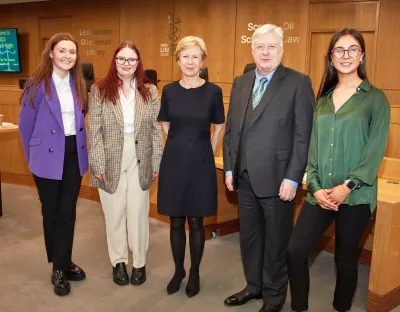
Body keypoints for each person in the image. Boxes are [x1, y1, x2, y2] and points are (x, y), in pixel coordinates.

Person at [287, 28, 390, 312]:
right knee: (295, 251)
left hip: (355, 196)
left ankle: (340, 308)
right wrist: (316, 187)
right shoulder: (323, 100)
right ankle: (299, 307)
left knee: (344, 257)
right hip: (320, 193)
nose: (346, 55)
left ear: (362, 55)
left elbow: (374, 151)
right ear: (331, 58)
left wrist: (348, 186)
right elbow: (313, 148)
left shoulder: (375, 99)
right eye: (339, 50)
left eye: (352, 49)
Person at [223, 24, 315, 312]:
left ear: (281, 49)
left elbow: (304, 135)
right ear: (252, 49)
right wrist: (228, 169)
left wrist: (293, 176)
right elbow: (231, 130)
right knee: (249, 238)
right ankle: (254, 286)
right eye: (260, 46)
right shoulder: (240, 82)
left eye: (271, 46)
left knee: (276, 243)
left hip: (278, 180)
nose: (265, 52)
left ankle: (274, 297)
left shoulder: (298, 83)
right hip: (244, 177)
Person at [19, 33, 88, 296]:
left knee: (68, 212)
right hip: (46, 155)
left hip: (73, 153)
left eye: (72, 52)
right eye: (62, 51)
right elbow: (25, 126)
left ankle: (64, 261)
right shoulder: (37, 84)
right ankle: (58, 268)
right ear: (51, 53)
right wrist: (33, 158)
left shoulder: (79, 83)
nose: (67, 56)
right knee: (52, 212)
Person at [88, 42, 163, 286]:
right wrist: (97, 164)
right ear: (114, 61)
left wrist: (156, 161)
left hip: (141, 153)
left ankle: (139, 263)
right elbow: (94, 130)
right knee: (114, 212)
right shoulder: (99, 90)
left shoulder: (149, 91)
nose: (126, 63)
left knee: (138, 212)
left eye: (131, 59)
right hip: (109, 155)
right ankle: (118, 262)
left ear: (138, 62)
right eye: (122, 58)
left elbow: (155, 129)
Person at [157, 36, 225, 298]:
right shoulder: (170, 90)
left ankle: (194, 271)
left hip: (200, 161)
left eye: (195, 56)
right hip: (174, 160)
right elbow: (164, 120)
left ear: (202, 61)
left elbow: (219, 124)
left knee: (196, 221)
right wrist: (176, 141)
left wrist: (210, 147)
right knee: (175, 220)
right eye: (185, 56)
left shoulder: (213, 91)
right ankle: (178, 270)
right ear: (178, 60)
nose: (189, 61)